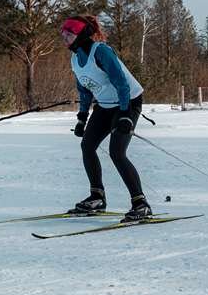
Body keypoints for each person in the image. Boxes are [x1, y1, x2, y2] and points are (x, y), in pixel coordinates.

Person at [61, 14, 151, 222]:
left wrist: (126, 115)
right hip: (104, 106)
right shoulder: (75, 58)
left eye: (69, 34)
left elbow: (121, 83)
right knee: (87, 146)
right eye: (63, 34)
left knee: (117, 152)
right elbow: (84, 90)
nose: (64, 37)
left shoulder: (100, 51)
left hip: (127, 101)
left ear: (82, 34)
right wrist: (82, 117)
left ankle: (140, 204)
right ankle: (97, 197)